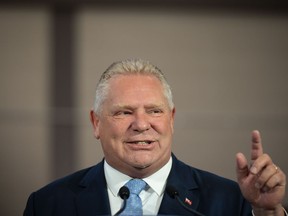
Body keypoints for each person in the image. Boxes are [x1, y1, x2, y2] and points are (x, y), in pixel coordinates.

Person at [24, 59, 286, 216]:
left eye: (154, 111)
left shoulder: (231, 201)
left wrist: (268, 212)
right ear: (96, 123)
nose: (140, 124)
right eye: (124, 112)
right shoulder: (48, 204)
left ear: (171, 119)